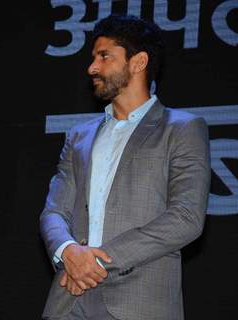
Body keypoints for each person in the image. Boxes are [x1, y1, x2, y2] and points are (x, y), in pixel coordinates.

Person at [40, 14, 210, 320]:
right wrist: (67, 250)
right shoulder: (80, 135)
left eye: (104, 57)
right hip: (69, 300)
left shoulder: (182, 128)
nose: (92, 67)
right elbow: (54, 211)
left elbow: (186, 217)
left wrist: (97, 262)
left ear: (139, 62)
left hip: (140, 301)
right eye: (93, 58)